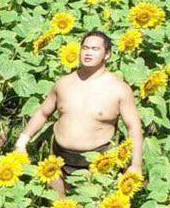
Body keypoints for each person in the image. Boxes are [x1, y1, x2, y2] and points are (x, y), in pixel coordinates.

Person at [14, 30, 143, 196]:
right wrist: (22, 141)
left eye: (95, 49)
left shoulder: (118, 89)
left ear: (107, 55)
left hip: (99, 163)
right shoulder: (63, 83)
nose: (88, 53)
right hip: (58, 161)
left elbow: (134, 126)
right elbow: (43, 113)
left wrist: (136, 164)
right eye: (85, 48)